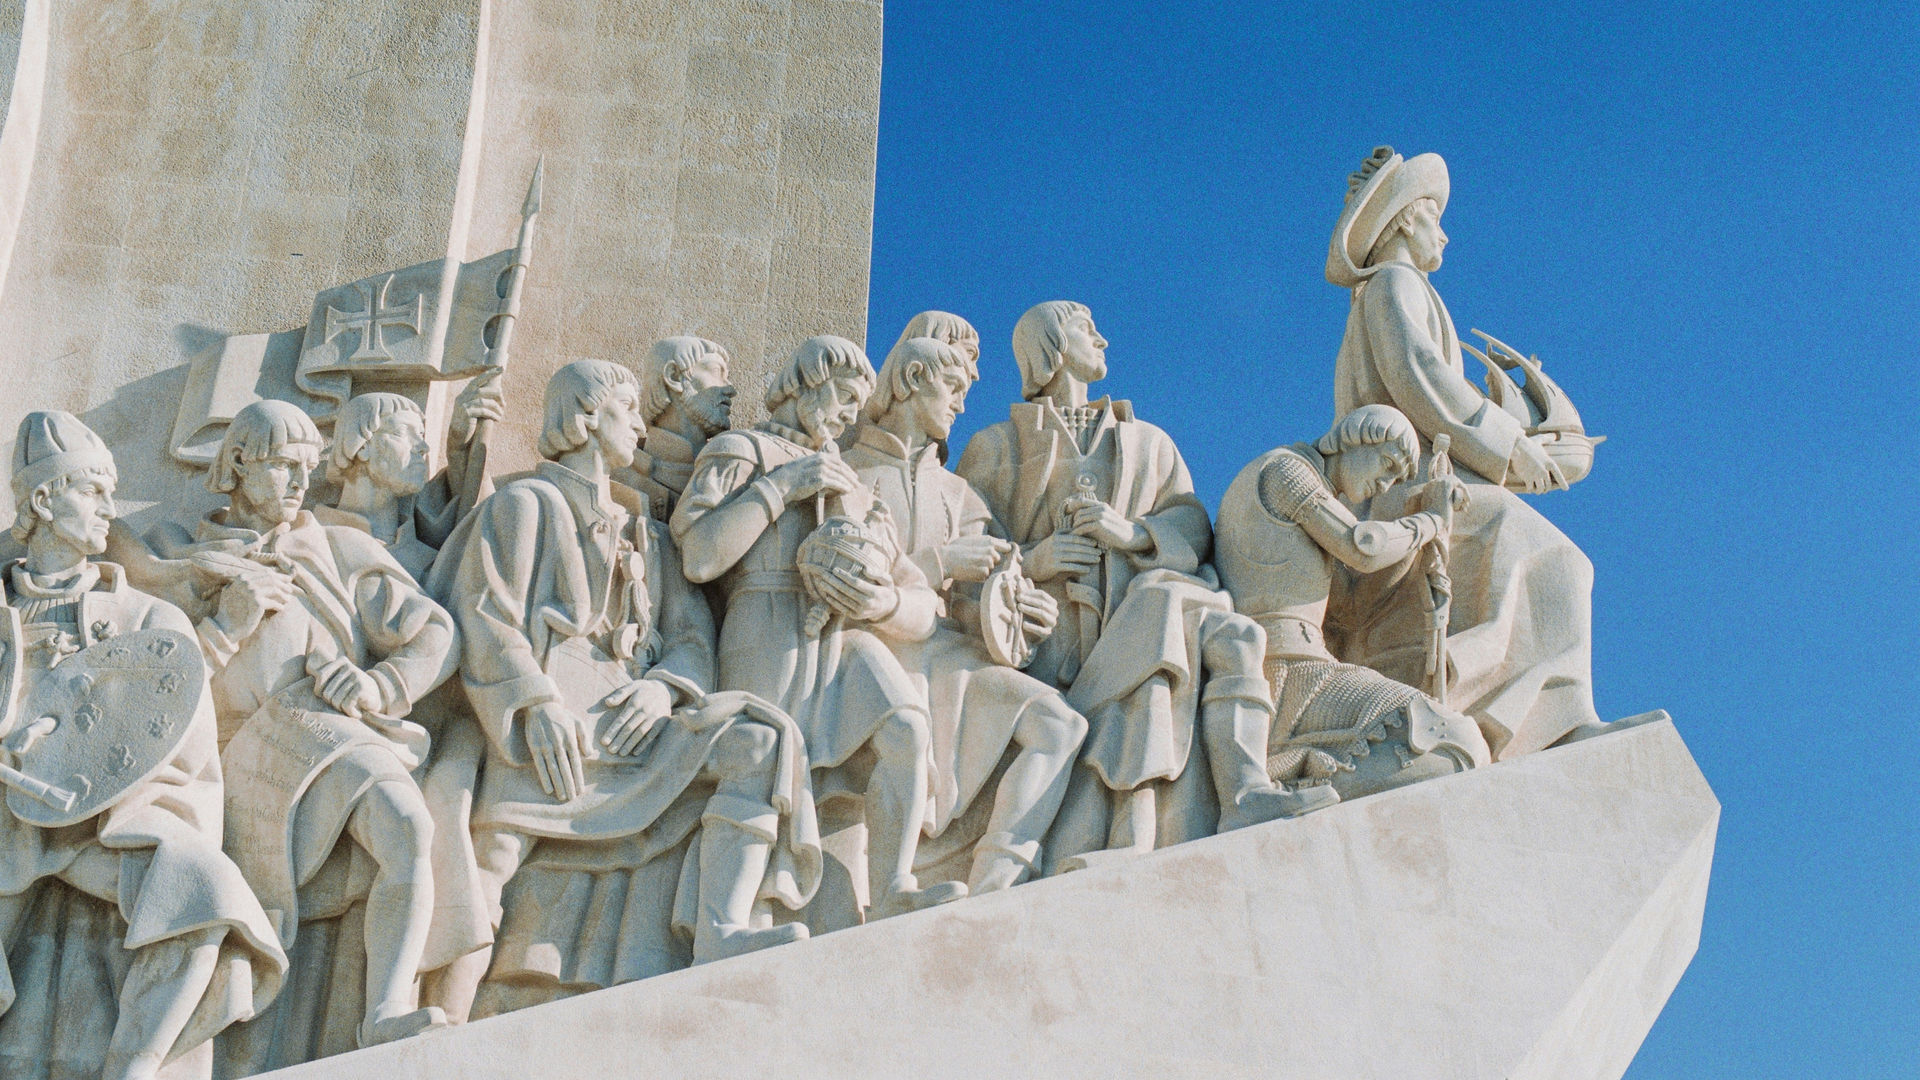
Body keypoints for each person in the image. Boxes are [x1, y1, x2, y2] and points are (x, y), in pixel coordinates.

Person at [425, 359, 819, 1020]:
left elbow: (692, 639)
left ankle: (721, 932)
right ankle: (439, 1019)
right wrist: (535, 705)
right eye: (627, 408)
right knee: (491, 856)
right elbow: (486, 615)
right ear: (584, 417)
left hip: (636, 723)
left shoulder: (650, 535)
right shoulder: (524, 504)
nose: (641, 423)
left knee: (759, 741)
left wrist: (664, 689)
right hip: (547, 724)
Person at [145, 400, 464, 1066]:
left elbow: (436, 633)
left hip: (324, 729)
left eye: (307, 468)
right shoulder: (181, 560)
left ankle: (385, 1012)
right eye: (282, 465)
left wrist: (379, 685)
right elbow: (159, 693)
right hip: (237, 760)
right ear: (237, 463)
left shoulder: (336, 546)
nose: (298, 483)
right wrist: (226, 624)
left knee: (410, 826)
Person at [957, 302, 1328, 874]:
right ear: (1051, 344)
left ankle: (1246, 791)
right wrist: (1035, 559)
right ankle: (1138, 831)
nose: (1103, 339)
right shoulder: (997, 446)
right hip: (1054, 648)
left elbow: (1190, 522)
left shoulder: (1149, 441)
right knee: (1163, 625)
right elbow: (964, 552)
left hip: (1143, 611)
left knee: (1229, 633)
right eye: (1085, 329)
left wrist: (1131, 533)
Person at [0, 412, 285, 1080]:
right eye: (93, 490)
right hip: (7, 823)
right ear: (42, 501)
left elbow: (181, 742)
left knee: (204, 889)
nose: (110, 509)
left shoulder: (148, 617)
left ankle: (137, 1068)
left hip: (103, 823)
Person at [673, 336, 966, 924]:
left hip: (841, 636)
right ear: (808, 383)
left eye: (859, 404)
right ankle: (733, 921)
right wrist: (781, 487)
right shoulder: (740, 449)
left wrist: (882, 602)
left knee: (907, 728)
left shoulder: (852, 483)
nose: (852, 415)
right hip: (765, 628)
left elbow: (922, 602)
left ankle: (893, 888)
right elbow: (700, 556)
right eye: (846, 397)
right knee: (766, 766)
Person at [1325, 147, 1602, 757]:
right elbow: (1423, 381)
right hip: (1403, 491)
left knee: (1558, 559)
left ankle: (1542, 711)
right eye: (1435, 218)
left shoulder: (1406, 291)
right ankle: (1532, 712)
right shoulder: (1392, 284)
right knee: (1554, 557)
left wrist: (1525, 444)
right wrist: (1514, 450)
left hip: (1434, 483)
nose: (1445, 234)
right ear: (1405, 221)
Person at [845, 332, 1087, 893]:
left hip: (947, 654)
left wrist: (1023, 613)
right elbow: (843, 582)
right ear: (911, 380)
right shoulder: (847, 474)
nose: (960, 403)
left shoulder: (959, 494)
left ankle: (991, 890)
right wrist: (940, 561)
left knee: (1060, 724)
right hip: (871, 650)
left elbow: (986, 592)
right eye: (952, 386)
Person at [1215, 405, 1490, 803]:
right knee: (1454, 741)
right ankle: (1289, 788)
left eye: (1396, 478)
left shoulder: (1310, 504)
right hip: (1287, 673)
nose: (1385, 484)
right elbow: (1363, 546)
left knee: (1457, 747)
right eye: (1387, 464)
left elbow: (1355, 601)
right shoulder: (1285, 472)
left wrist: (1420, 545)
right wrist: (1431, 521)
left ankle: (1300, 777)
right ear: (1354, 438)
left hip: (1303, 668)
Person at [312, 372, 501, 582]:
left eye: (420, 435)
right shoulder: (310, 542)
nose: (423, 447)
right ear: (362, 447)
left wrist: (460, 450)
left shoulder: (429, 563)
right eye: (402, 432)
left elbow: (482, 542)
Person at [617, 336, 737, 519]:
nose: (730, 389)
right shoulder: (615, 472)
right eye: (716, 372)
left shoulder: (732, 476)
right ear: (673, 376)